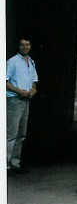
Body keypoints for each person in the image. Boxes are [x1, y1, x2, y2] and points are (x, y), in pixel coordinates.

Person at [7, 38, 38, 174]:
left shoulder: (31, 62)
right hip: (14, 100)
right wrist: (19, 91)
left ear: (30, 46)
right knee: (11, 134)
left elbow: (34, 82)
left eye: (27, 44)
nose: (25, 47)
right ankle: (5, 164)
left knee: (21, 134)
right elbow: (5, 81)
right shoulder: (12, 62)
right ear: (18, 46)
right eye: (22, 45)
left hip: (26, 101)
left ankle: (15, 163)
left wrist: (33, 91)